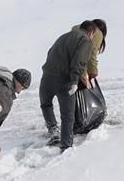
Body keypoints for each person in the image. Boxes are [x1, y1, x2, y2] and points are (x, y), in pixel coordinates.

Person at [40, 21, 97, 151]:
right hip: (64, 81)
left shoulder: (63, 36)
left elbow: (50, 52)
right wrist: (75, 81)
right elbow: (79, 61)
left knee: (46, 104)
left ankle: (53, 130)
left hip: (47, 77)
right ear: (91, 32)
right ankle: (66, 145)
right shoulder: (85, 40)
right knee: (67, 115)